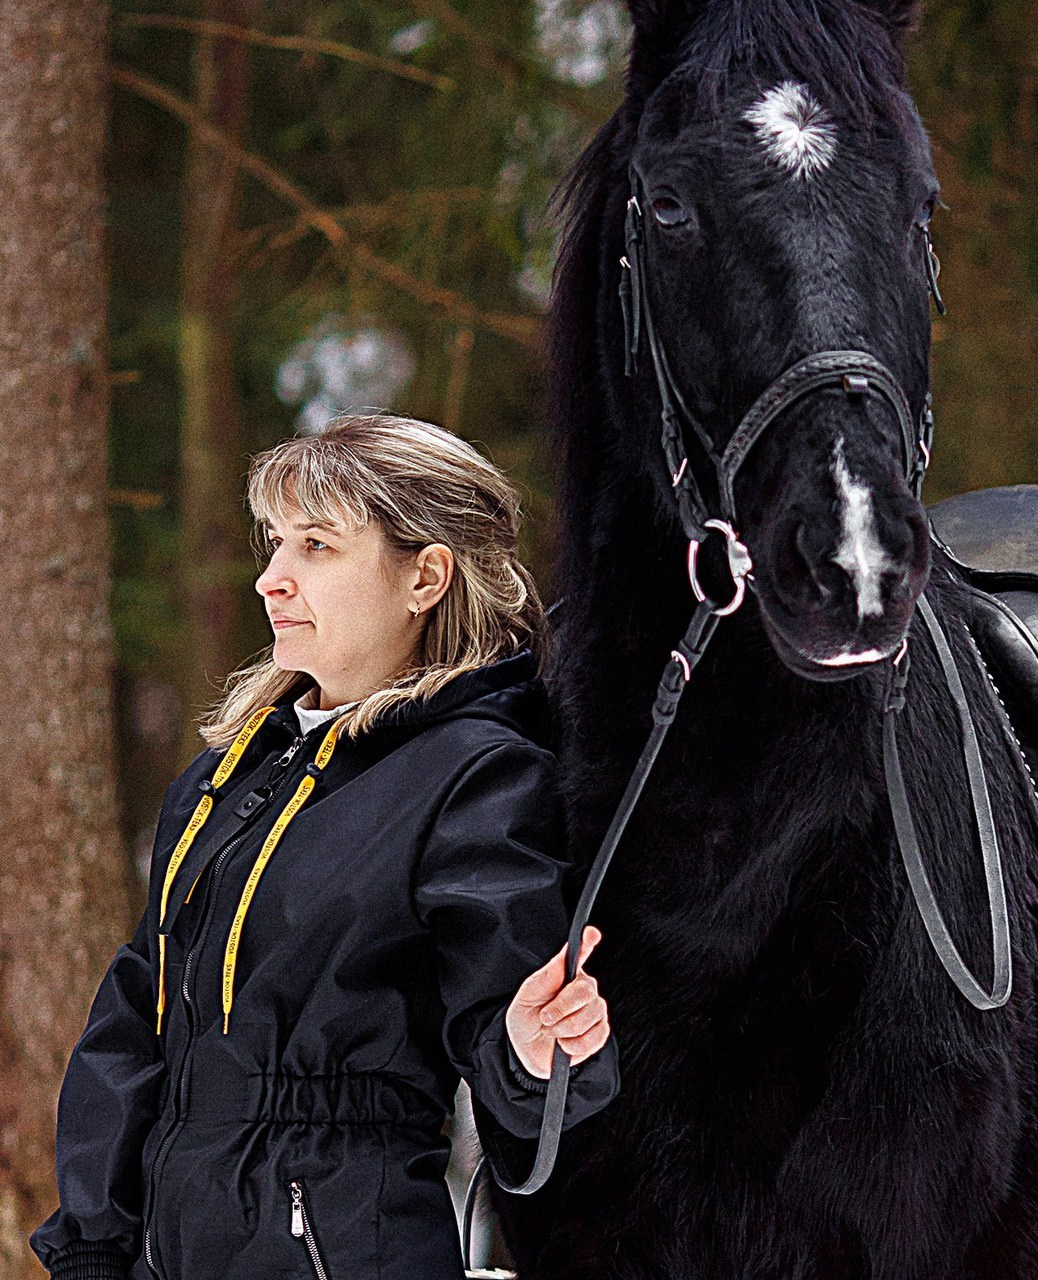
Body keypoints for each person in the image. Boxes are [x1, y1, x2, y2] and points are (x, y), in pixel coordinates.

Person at [29, 413, 619, 1280]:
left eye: (316, 546)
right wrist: (92, 1250)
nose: (272, 579)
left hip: (339, 1249)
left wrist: (537, 1053)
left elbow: (512, 1042)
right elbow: (133, 1023)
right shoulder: (225, 780)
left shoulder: (478, 774)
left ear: (426, 575)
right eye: (274, 542)